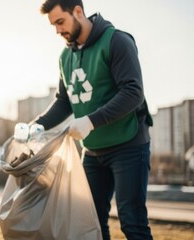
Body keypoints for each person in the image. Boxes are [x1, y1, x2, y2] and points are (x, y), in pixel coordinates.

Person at [32, 0, 154, 239]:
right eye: (53, 25)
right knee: (91, 222)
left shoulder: (117, 41)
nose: (57, 30)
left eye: (60, 21)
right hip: (92, 151)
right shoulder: (65, 56)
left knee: (132, 222)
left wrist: (90, 121)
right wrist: (37, 125)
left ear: (78, 11)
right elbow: (64, 101)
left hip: (128, 144)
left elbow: (133, 92)